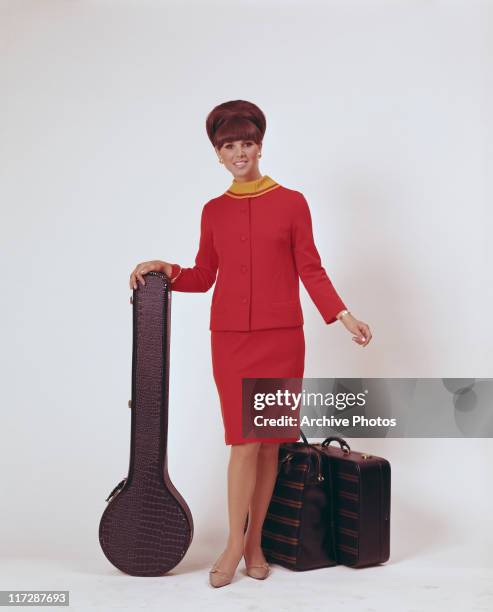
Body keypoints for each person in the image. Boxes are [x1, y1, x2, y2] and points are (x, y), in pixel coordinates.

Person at [129, 100, 372, 588]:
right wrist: (166, 270)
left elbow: (311, 267)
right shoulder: (213, 211)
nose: (239, 153)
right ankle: (234, 544)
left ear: (260, 146)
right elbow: (204, 275)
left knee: (268, 448)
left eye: (246, 144)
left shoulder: (292, 202)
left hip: (282, 338)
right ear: (218, 156)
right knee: (243, 441)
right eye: (229, 147)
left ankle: (255, 542)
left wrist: (342, 314)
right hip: (232, 342)